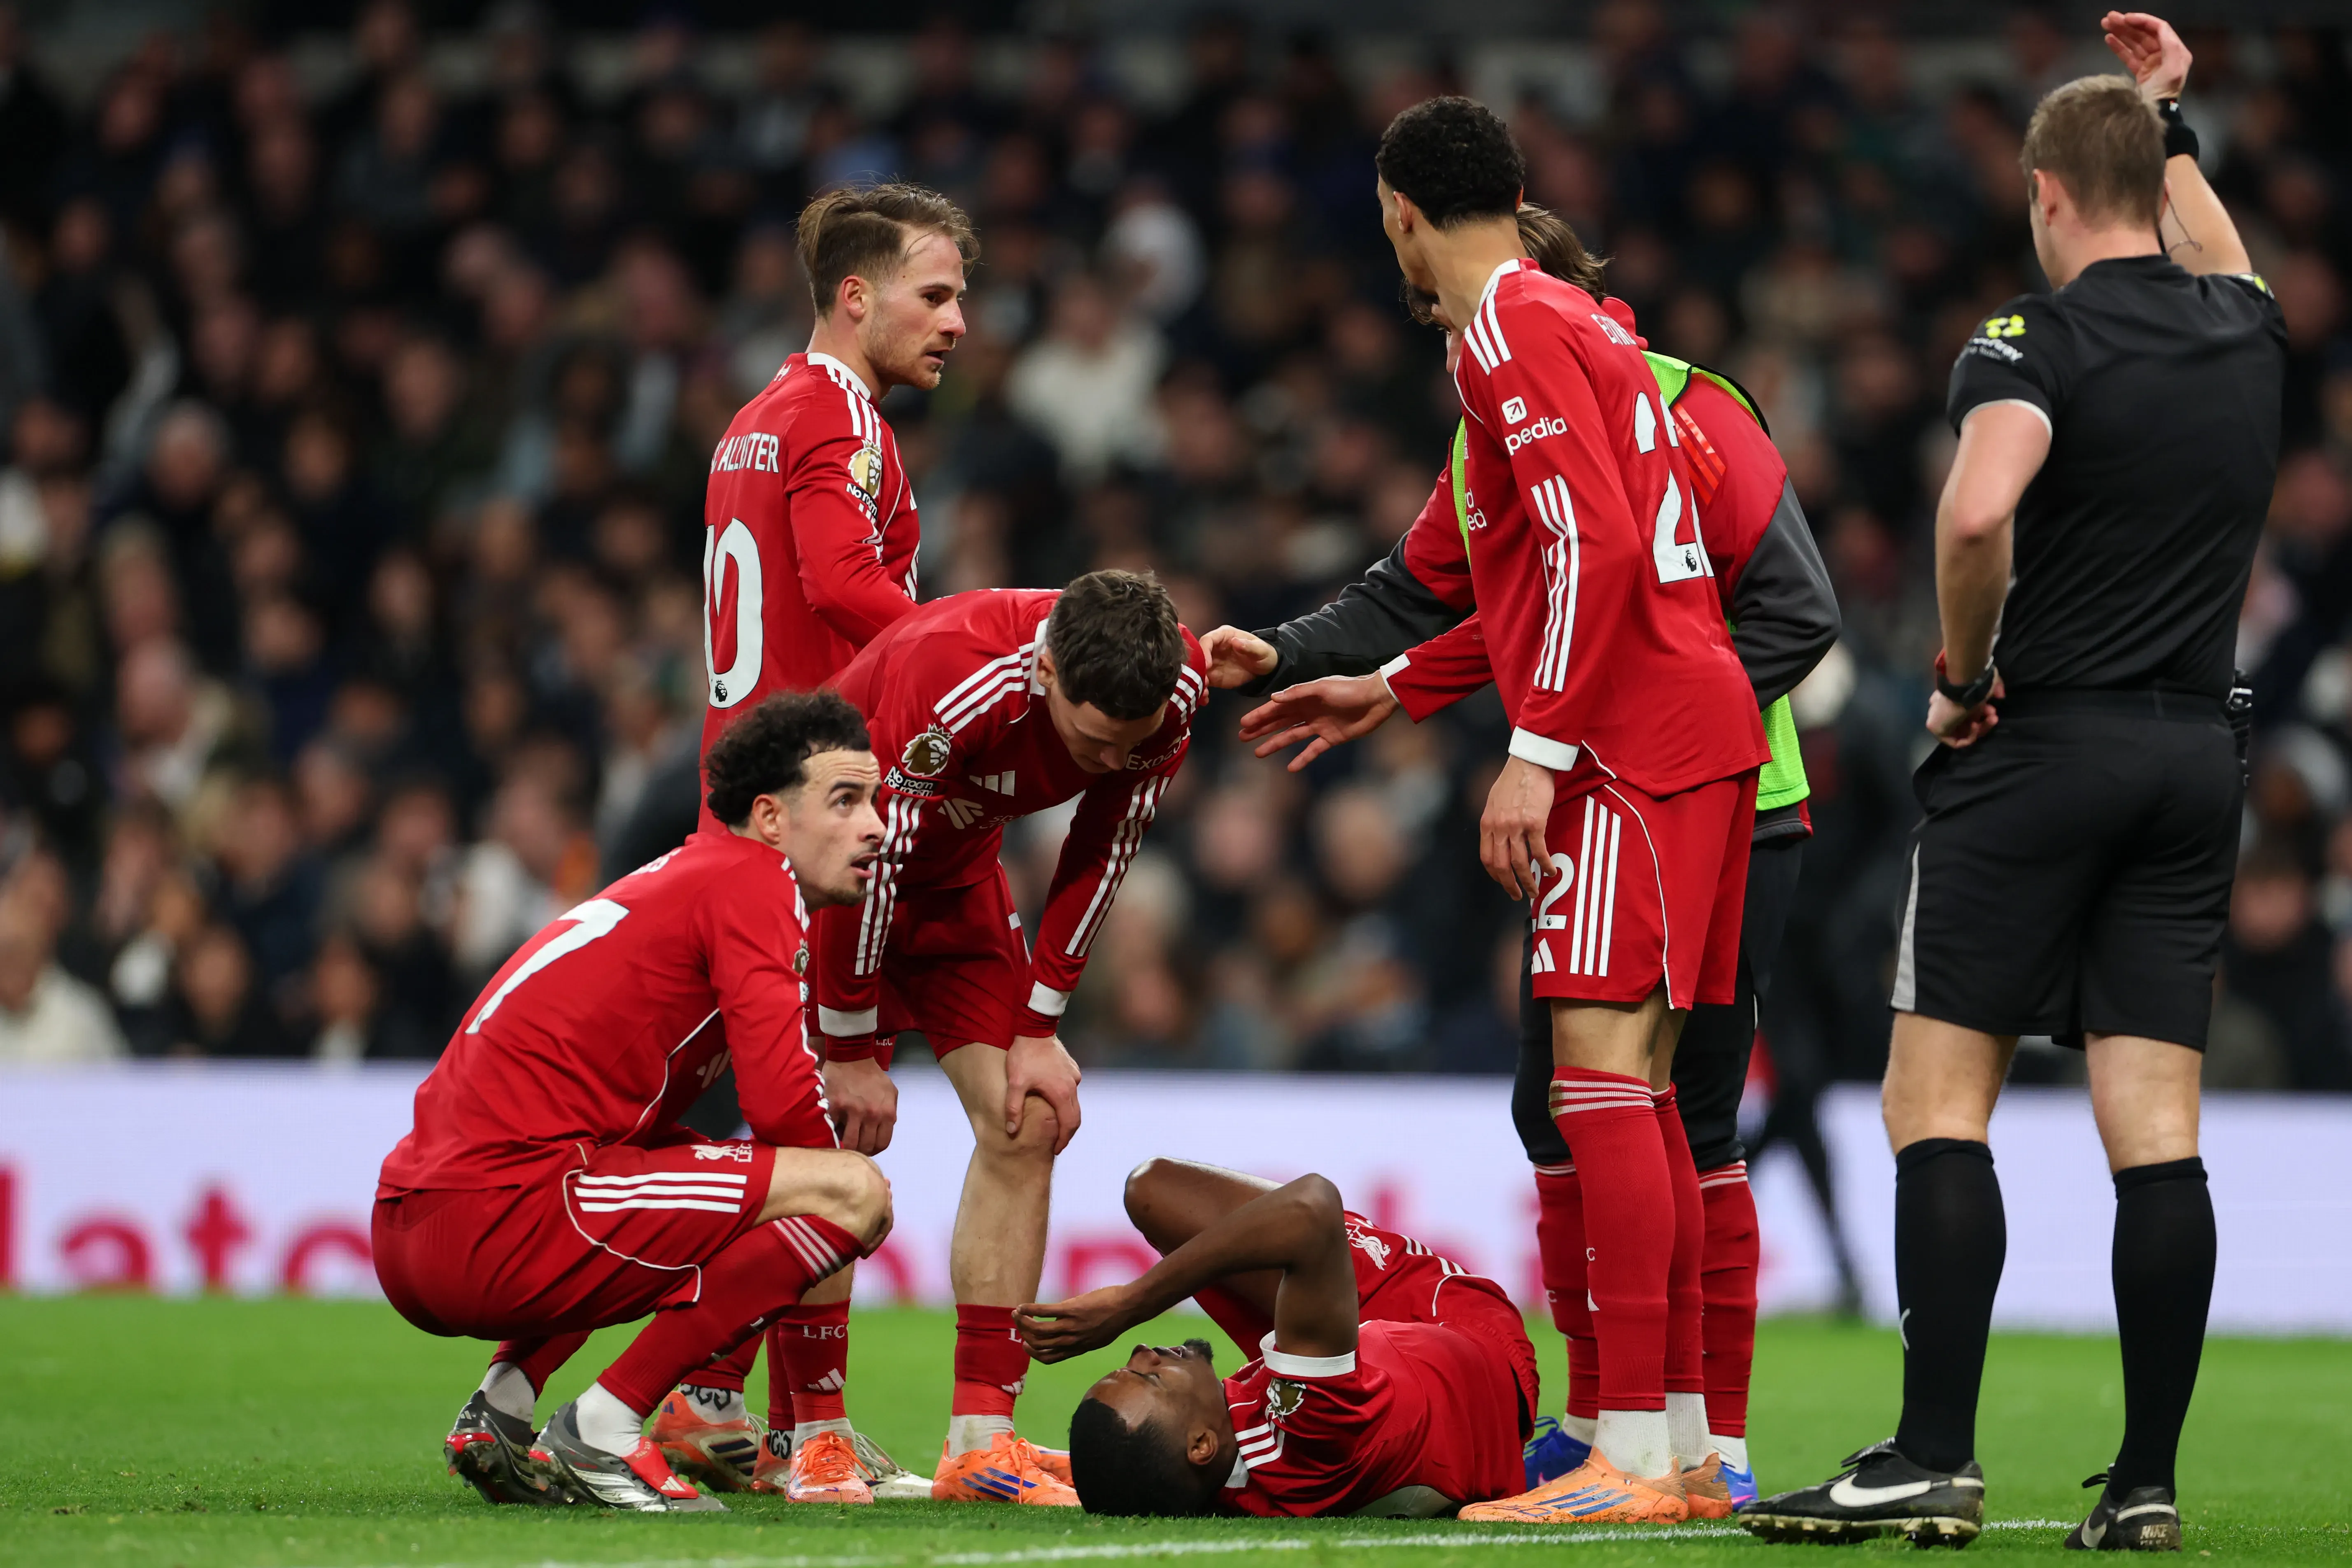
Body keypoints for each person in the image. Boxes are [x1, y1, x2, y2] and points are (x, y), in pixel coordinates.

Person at [1742, 14, 2280, 1551]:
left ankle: (1928, 1453)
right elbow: (2219, 248)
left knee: (1937, 1099)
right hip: (2193, 756)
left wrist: (1962, 674)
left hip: (2037, 744)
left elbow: (1977, 514)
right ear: (2156, 180)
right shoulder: (2246, 328)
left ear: (2046, 193)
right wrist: (2167, 116)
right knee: (2155, 1120)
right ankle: (2144, 1483)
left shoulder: (2032, 336)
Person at [1207, 203, 1837, 1511]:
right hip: (1621, 774)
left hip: (1705, 793)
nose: (1440, 307)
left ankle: (1693, 1441)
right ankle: (1631, 1425)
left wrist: (1645, 728)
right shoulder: (1508, 404)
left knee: (1672, 1105)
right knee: (1573, 1100)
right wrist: (1340, 665)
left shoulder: (1688, 401)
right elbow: (1454, 584)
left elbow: (1787, 606)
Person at [371, 692, 893, 1514]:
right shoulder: (754, 881)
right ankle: (606, 1421)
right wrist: (827, 1160)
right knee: (851, 1191)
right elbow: (782, 1107)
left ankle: (503, 1403)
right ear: (770, 817)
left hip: (416, 1224)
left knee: (683, 1160)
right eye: (846, 799)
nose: (876, 826)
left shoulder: (685, 874)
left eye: (875, 800)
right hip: (499, 1215)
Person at [662, 180, 973, 1506]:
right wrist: (984, 647)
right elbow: (849, 589)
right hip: (811, 817)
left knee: (780, 1117)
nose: (957, 321)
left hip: (747, 802)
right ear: (856, 297)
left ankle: (741, 1406)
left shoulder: (752, 419)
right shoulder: (837, 415)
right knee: (825, 1117)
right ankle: (784, 1424)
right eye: (936, 293)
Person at [811, 568, 1208, 1505]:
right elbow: (865, 862)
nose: (1108, 761)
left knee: (1029, 1117)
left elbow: (1108, 837)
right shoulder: (951, 682)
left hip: (953, 889)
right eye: (1089, 739)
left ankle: (981, 1440)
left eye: (1130, 743)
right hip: (826, 880)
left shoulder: (1177, 691)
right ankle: (814, 1435)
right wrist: (849, 1047)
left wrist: (1041, 1024)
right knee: (820, 1140)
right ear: (1041, 672)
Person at [1018, 1159, 1540, 1520]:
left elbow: (1149, 1466)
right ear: (1200, 1444)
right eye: (1149, 1376)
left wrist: (1078, 1466)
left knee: (1149, 1190)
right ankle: (1593, 1430)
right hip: (1462, 1330)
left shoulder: (1222, 1470)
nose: (1141, 1350)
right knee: (1162, 1192)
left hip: (1388, 1371)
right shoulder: (1310, 1422)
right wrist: (1130, 1302)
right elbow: (1313, 1206)